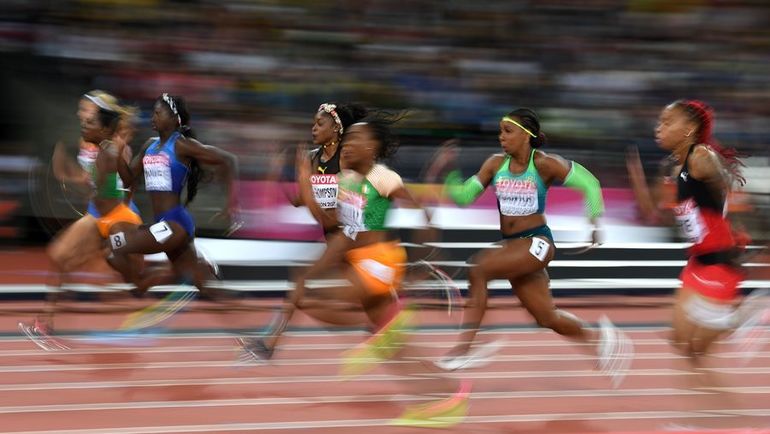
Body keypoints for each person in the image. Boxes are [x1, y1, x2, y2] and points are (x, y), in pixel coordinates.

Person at [429, 108, 632, 382]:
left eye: (508, 131)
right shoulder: (494, 164)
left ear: (527, 135)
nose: (501, 137)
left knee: (478, 268)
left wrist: (595, 222)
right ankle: (601, 340)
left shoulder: (545, 164)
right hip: (513, 246)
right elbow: (464, 197)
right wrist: (449, 171)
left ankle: (467, 347)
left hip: (537, 242)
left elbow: (589, 182)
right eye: (500, 131)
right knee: (547, 317)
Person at [626, 99, 766, 358]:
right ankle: (737, 321)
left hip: (720, 259)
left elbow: (727, 189)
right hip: (696, 260)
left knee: (696, 351)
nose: (659, 127)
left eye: (667, 122)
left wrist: (737, 229)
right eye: (659, 122)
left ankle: (746, 320)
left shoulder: (701, 157)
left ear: (689, 128)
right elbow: (652, 213)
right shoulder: (670, 166)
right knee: (680, 343)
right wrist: (636, 177)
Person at [238, 102, 370, 360]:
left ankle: (271, 343)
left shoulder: (347, 158)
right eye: (313, 123)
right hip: (333, 236)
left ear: (337, 128)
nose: (313, 128)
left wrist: (304, 182)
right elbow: (300, 200)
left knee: (303, 281)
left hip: (351, 235)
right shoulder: (311, 158)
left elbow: (328, 216)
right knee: (360, 298)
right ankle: (379, 326)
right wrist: (280, 177)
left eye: (320, 124)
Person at [19, 91, 144, 348]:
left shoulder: (114, 144)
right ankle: (45, 325)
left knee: (121, 272)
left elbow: (108, 180)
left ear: (99, 115)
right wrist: (67, 174)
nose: (79, 114)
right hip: (97, 213)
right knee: (59, 256)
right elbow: (89, 182)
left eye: (84, 109)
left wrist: (71, 176)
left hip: (118, 213)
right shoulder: (87, 141)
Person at [109, 93, 238, 299]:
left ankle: (142, 283)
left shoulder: (182, 145)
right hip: (164, 225)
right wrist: (118, 151)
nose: (152, 118)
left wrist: (230, 206)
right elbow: (128, 179)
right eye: (153, 113)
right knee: (203, 286)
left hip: (174, 225)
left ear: (174, 119)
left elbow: (228, 160)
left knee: (116, 244)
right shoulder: (148, 147)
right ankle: (244, 306)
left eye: (158, 114)